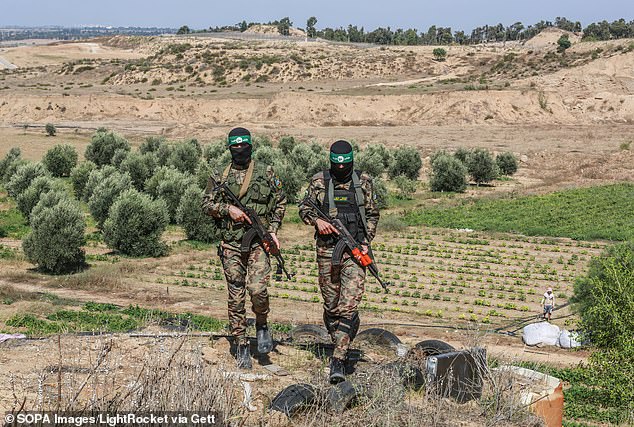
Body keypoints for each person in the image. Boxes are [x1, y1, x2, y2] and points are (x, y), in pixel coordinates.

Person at [202, 127, 287, 369]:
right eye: (235, 148)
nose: (240, 151)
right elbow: (206, 203)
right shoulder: (220, 176)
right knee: (235, 295)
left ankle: (261, 324)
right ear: (230, 149)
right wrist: (227, 210)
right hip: (231, 243)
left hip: (259, 242)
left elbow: (281, 201)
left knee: (258, 289)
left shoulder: (266, 173)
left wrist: (273, 229)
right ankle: (240, 344)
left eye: (244, 147)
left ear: (251, 147)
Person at [298, 140, 380, 384]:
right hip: (327, 251)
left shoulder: (363, 182)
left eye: (346, 166)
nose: (342, 170)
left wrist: (366, 241)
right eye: (337, 166)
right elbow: (303, 208)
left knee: (349, 305)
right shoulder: (319, 181)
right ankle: (341, 339)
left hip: (355, 252)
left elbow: (373, 214)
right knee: (332, 305)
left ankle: (338, 358)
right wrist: (317, 222)